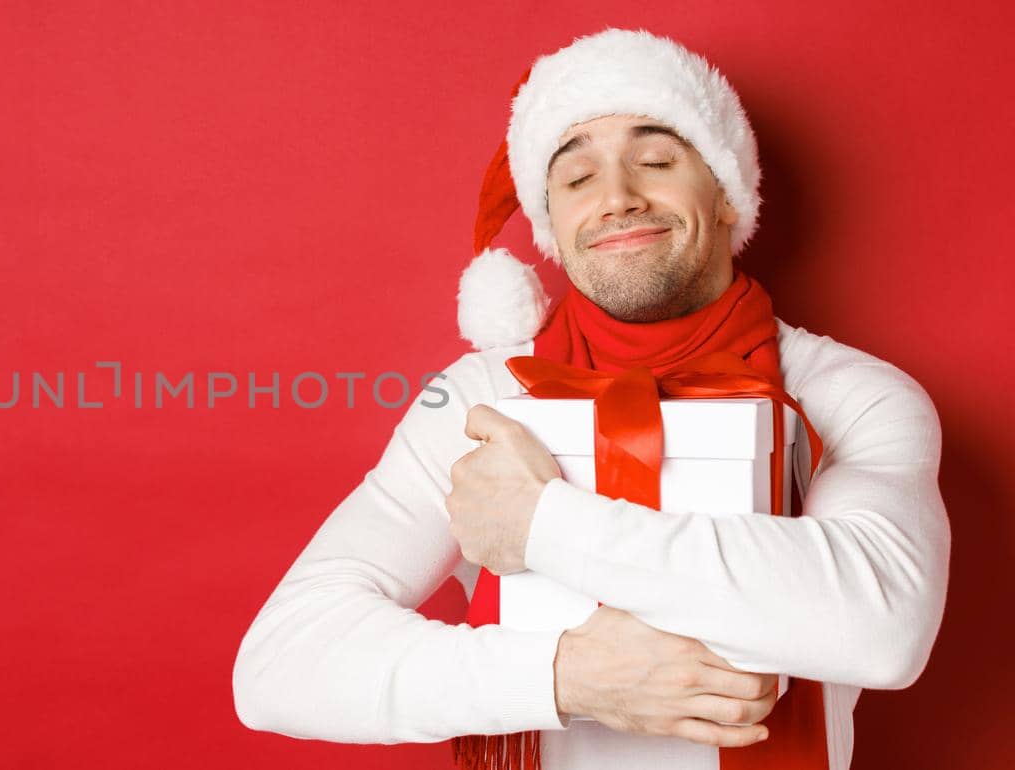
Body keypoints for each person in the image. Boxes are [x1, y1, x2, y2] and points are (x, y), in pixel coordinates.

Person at [230, 28, 949, 770]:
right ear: (553, 229)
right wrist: (565, 676)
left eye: (658, 161)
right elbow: (281, 664)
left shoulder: (848, 396)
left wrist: (543, 524)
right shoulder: (481, 398)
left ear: (730, 196)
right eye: (576, 180)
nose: (617, 198)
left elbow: (884, 629)